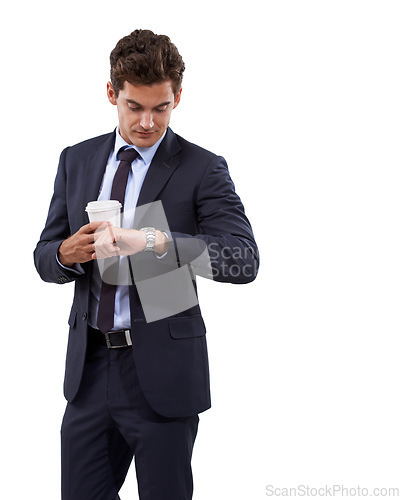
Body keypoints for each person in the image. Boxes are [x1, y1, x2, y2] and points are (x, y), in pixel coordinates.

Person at [34, 29, 259, 500]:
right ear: (112, 93)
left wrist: (155, 241)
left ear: (177, 96)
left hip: (162, 370)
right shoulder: (77, 160)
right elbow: (44, 256)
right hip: (90, 370)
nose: (147, 123)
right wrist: (64, 254)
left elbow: (243, 259)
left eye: (161, 108)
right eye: (134, 107)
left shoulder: (202, 167)